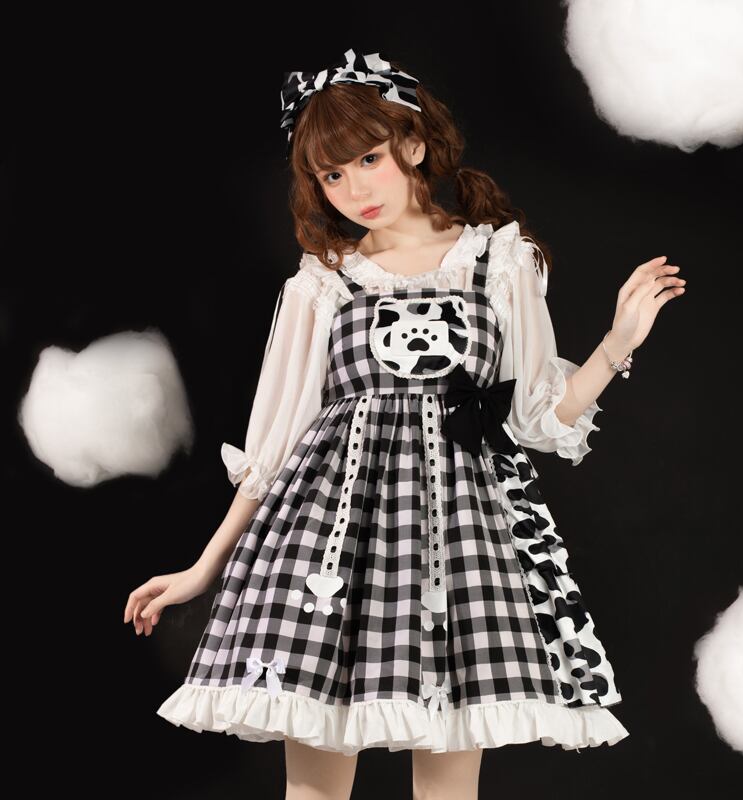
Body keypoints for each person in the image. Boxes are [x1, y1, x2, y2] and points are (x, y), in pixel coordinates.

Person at [124, 48, 686, 800]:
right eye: (332, 175)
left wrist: (616, 344)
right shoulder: (324, 279)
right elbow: (274, 449)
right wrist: (203, 569)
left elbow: (536, 417)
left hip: (460, 546)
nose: (354, 189)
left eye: (368, 159)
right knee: (314, 791)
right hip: (329, 544)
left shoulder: (499, 261)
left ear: (414, 145)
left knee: (448, 790)